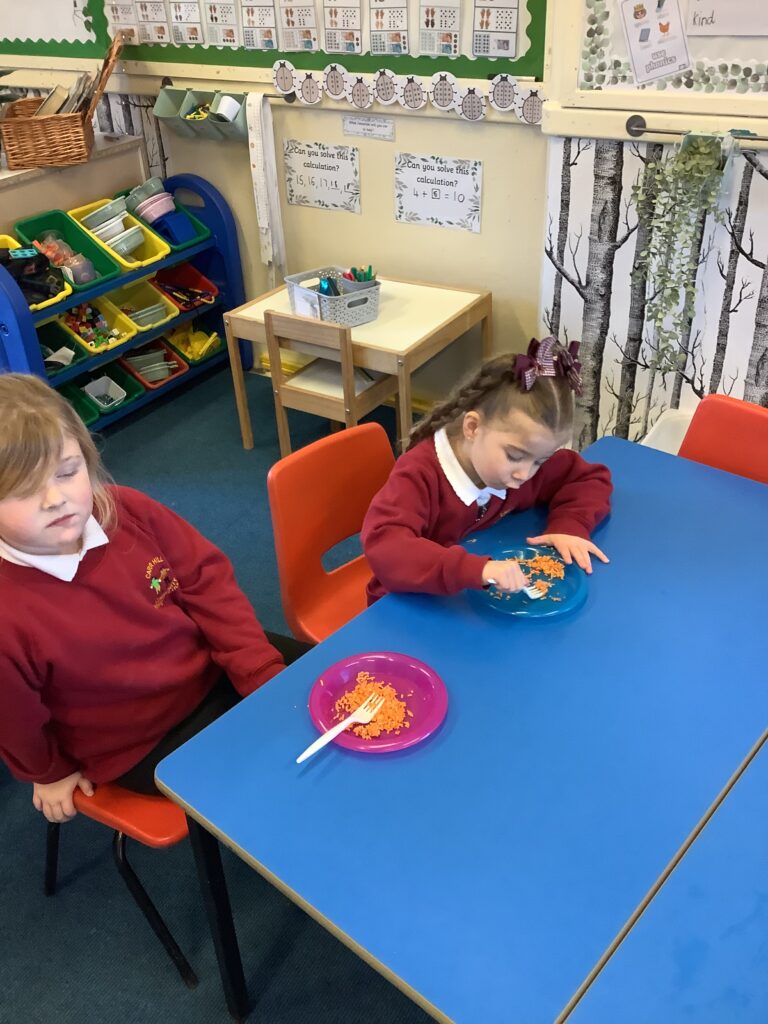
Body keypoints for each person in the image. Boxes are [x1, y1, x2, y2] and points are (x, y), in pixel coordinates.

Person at [0, 373, 308, 823]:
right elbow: (15, 717)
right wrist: (47, 772)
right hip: (140, 741)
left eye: (68, 472)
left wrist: (256, 667)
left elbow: (208, 585)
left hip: (208, 668)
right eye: (24, 489)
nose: (55, 499)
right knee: (281, 778)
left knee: (336, 682)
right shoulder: (9, 613)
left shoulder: (126, 508)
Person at [361, 338, 612, 602]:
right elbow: (385, 547)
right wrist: (477, 569)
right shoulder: (419, 474)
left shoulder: (523, 458)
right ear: (472, 428)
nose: (525, 474)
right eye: (514, 456)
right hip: (405, 604)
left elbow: (587, 478)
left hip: (467, 602)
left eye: (539, 461)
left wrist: (570, 526)